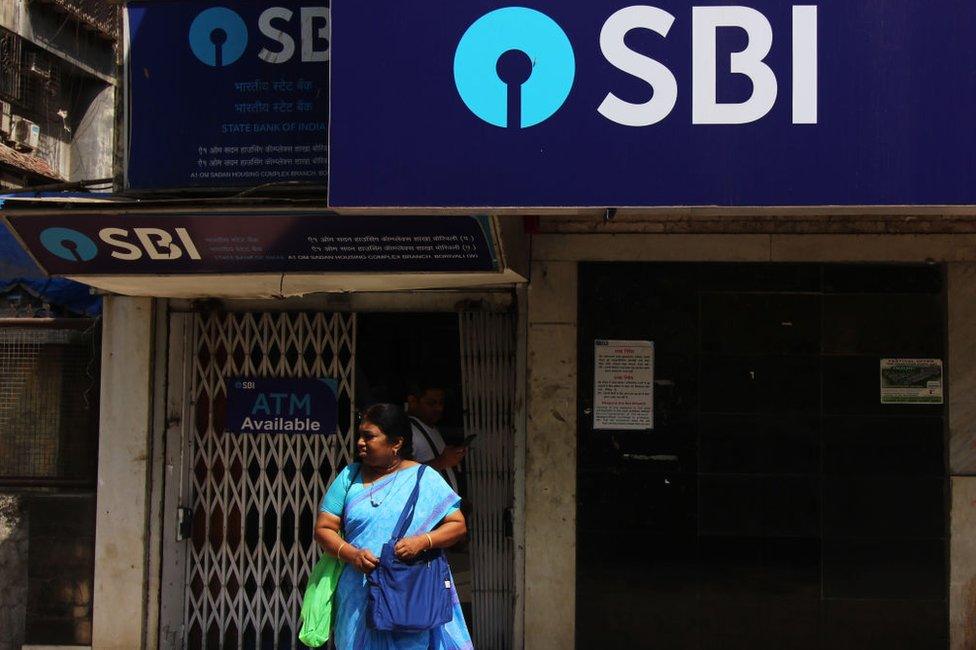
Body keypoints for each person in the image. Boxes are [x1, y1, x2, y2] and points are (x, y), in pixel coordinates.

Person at [314, 403, 473, 650]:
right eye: (360, 435)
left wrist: (422, 542)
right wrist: (352, 554)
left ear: (396, 443)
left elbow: (457, 526)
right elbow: (324, 528)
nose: (360, 443)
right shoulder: (349, 476)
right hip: (358, 594)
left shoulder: (424, 477)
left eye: (369, 436)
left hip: (408, 595)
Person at [406, 381, 466, 493]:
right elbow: (403, 477)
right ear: (412, 401)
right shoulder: (407, 430)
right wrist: (442, 462)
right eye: (431, 403)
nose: (439, 408)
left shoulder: (430, 427)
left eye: (441, 403)